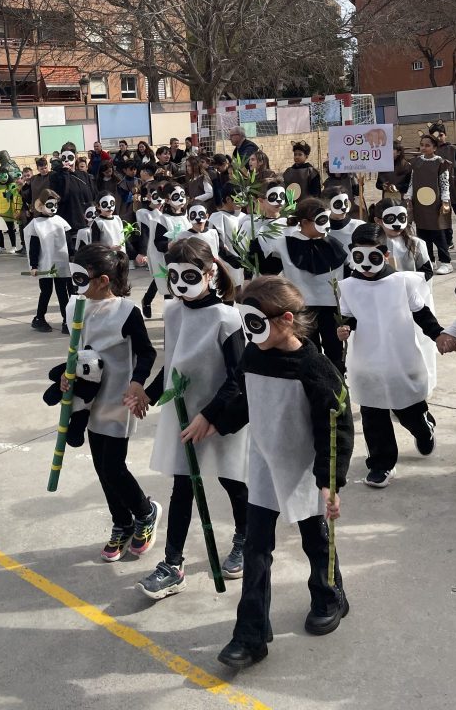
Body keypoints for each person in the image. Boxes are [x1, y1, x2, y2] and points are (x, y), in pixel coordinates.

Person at [211, 276, 354, 670]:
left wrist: (330, 481)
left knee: (316, 540)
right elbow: (246, 400)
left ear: (286, 320)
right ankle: (251, 634)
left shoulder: (314, 367)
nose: (248, 333)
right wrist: (215, 421)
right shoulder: (253, 355)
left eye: (255, 323)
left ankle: (330, 596)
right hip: (263, 467)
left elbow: (335, 427)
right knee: (256, 549)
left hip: (304, 470)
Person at [135, 238, 248, 598]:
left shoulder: (227, 317)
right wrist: (149, 393)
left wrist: (209, 415)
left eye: (189, 276)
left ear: (210, 273)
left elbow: (238, 377)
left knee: (232, 480)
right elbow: (174, 362)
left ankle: (245, 537)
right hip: (183, 414)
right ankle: (173, 564)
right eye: (173, 277)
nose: (180, 285)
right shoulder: (172, 311)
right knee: (183, 485)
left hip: (221, 413)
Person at [61, 244, 159, 561]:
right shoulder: (75, 306)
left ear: (103, 280)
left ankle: (145, 512)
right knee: (101, 467)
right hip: (88, 399)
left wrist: (137, 382)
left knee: (113, 467)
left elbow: (147, 352)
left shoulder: (125, 311)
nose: (75, 284)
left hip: (118, 398)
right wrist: (66, 375)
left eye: (81, 277)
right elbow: (76, 351)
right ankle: (122, 522)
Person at [338, 223, 445, 488]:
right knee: (372, 414)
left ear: (385, 254)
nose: (365, 264)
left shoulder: (402, 282)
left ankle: (423, 427)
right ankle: (381, 464)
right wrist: (344, 327)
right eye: (359, 256)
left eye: (373, 257)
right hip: (367, 361)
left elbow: (422, 314)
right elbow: (348, 316)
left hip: (399, 358)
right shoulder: (348, 286)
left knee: (407, 409)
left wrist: (439, 335)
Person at [253, 197, 348, 371]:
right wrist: (256, 253)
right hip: (302, 308)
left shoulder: (334, 244)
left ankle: (337, 383)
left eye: (327, 219)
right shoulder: (284, 244)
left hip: (331, 308)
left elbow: (348, 275)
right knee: (308, 352)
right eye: (321, 220)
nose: (327, 225)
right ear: (304, 222)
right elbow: (269, 270)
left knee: (335, 353)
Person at [25, 188, 72, 332]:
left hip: (61, 263)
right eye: (50, 205)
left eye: (55, 205)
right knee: (46, 291)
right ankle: (39, 318)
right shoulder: (36, 223)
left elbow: (68, 242)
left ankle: (66, 320)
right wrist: (34, 265)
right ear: (41, 205)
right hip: (45, 263)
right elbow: (34, 247)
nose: (53, 208)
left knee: (62, 292)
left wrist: (72, 258)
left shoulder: (60, 221)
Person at [406, 133, 452, 274]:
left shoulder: (441, 163)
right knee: (423, 233)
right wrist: (409, 196)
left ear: (434, 148)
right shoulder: (416, 162)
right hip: (419, 204)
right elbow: (412, 182)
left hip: (435, 204)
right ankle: (430, 260)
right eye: (422, 145)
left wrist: (445, 201)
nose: (424, 148)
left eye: (427, 145)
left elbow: (444, 183)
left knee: (438, 232)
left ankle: (446, 262)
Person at [429, 121, 456, 253]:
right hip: (438, 190)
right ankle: (448, 241)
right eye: (436, 135)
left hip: (455, 188)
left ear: (445, 135)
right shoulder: (431, 151)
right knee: (443, 217)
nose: (439, 138)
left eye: (441, 135)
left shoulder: (454, 150)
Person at [49, 150, 96, 249]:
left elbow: (92, 195)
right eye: (64, 158)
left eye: (70, 157)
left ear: (75, 157)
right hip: (69, 224)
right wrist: (65, 174)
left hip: (86, 222)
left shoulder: (84, 175)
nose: (67, 161)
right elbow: (62, 196)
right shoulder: (56, 177)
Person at [375, 197, 432, 277]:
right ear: (378, 221)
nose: (397, 225)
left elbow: (427, 272)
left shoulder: (416, 243)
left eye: (401, 218)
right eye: (390, 219)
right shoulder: (373, 244)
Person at [135, 183, 166, 318]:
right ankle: (148, 300)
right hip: (152, 248)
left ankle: (150, 301)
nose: (159, 201)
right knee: (160, 276)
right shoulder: (143, 213)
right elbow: (143, 233)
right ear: (148, 197)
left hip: (166, 246)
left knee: (166, 276)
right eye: (155, 197)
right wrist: (142, 252)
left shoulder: (166, 212)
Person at [374, 140, 412, 216]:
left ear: (398, 152)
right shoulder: (383, 165)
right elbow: (378, 184)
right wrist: (382, 186)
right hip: (386, 200)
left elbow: (409, 186)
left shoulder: (406, 166)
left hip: (401, 200)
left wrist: (396, 187)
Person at [324, 186, 365, 252]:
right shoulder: (321, 231)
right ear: (327, 205)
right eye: (338, 204)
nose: (344, 208)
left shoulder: (360, 226)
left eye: (345, 203)